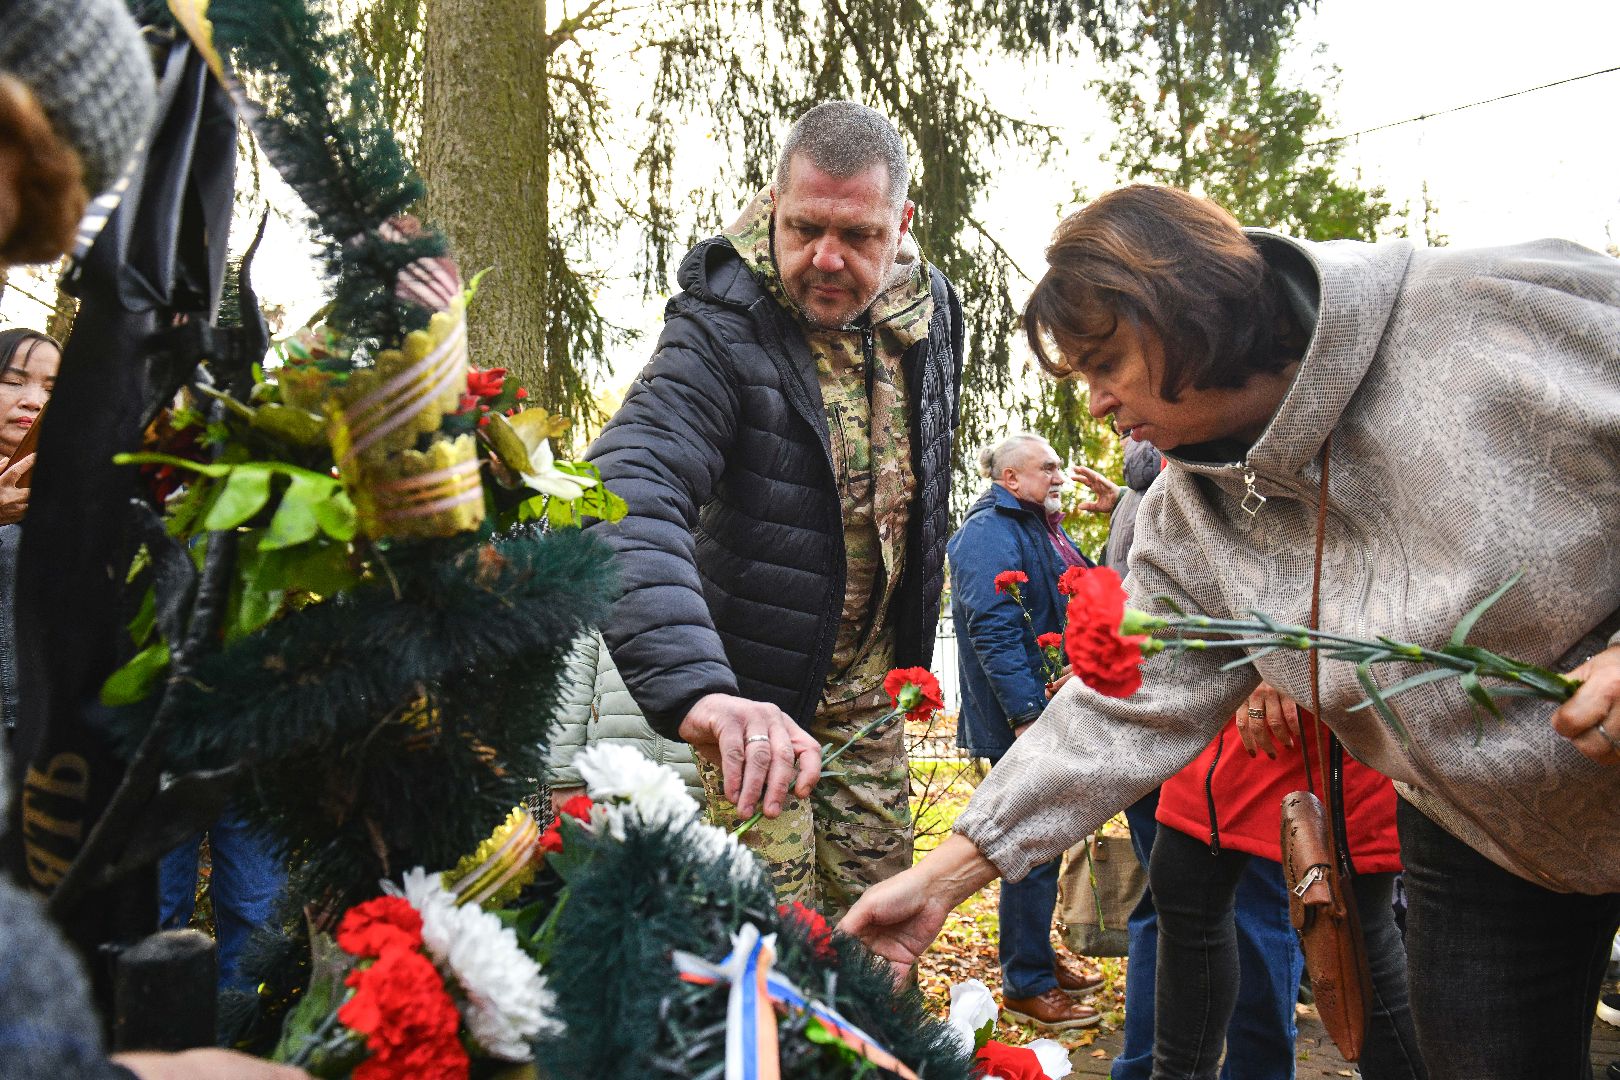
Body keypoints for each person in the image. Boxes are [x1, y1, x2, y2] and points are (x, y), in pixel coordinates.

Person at [844, 184, 1620, 1080]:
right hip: (1485, 834)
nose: (1094, 406)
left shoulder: (1493, 310)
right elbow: (1115, 714)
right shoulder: (1190, 520)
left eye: (1104, 366)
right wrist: (939, 881)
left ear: (1188, 311)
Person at [586, 100, 963, 918]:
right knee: (770, 944)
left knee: (878, 930)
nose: (825, 259)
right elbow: (627, 487)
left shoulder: (932, 314)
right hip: (757, 708)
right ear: (773, 205)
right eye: (803, 229)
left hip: (871, 696)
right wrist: (700, 690)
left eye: (858, 236)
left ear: (899, 224)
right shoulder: (719, 325)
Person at [947, 433, 1104, 1029]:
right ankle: (1026, 981)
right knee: (1031, 848)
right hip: (1025, 721)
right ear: (1010, 479)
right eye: (1047, 467)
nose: (1059, 475)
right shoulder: (990, 532)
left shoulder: (1043, 527)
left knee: (1047, 841)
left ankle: (1035, 957)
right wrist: (1026, 718)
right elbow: (994, 629)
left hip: (1050, 710)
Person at [546, 628, 706, 812]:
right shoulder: (607, 600)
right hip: (609, 788)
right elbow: (574, 671)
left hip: (703, 798)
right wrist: (567, 777)